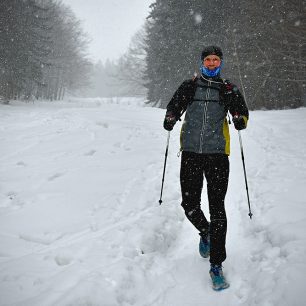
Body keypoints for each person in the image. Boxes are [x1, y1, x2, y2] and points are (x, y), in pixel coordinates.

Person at [163, 46, 249, 291]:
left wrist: (240, 120)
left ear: (220, 63)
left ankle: (216, 265)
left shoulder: (228, 88)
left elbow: (241, 113)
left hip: (217, 156)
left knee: (217, 208)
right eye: (208, 60)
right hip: (190, 153)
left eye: (215, 60)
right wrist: (170, 118)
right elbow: (173, 107)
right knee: (189, 204)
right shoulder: (189, 86)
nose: (211, 64)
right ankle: (206, 232)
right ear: (201, 63)